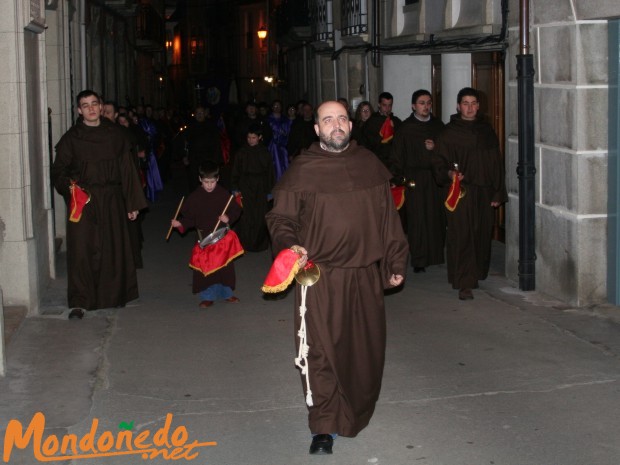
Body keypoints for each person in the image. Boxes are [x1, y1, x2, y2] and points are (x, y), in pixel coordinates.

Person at [266, 101, 408, 455]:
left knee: (364, 351)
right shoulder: (303, 169)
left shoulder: (368, 165)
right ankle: (324, 424)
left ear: (350, 124)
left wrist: (396, 261)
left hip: (364, 275)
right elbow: (280, 220)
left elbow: (388, 221)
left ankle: (354, 411)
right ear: (317, 129)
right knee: (319, 352)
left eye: (342, 118)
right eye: (328, 120)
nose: (337, 125)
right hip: (319, 277)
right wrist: (290, 245)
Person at [51, 90, 148, 320]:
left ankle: (113, 296)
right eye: (85, 105)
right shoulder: (71, 138)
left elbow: (128, 171)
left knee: (112, 247)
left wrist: (132, 203)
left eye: (94, 104)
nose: (91, 109)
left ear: (101, 106)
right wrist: (72, 188)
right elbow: (58, 171)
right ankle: (79, 301)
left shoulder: (116, 135)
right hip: (83, 200)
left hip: (113, 197)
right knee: (82, 250)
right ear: (79, 110)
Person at [433, 87, 507, 300]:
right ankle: (464, 281)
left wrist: (497, 193)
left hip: (484, 192)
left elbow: (496, 163)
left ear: (478, 106)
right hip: (461, 192)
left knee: (481, 233)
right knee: (462, 234)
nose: (470, 107)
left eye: (473, 103)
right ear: (458, 106)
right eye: (465, 103)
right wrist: (449, 172)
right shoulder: (448, 133)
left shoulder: (487, 131)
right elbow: (437, 161)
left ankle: (477, 271)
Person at [171, 162, 243, 308]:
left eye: (212, 182)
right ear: (200, 179)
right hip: (204, 237)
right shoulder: (195, 197)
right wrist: (180, 224)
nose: (209, 185)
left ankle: (226, 293)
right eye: (206, 182)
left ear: (218, 179)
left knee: (225, 267)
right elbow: (190, 218)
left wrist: (228, 218)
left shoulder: (223, 194)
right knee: (206, 268)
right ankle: (208, 296)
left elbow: (236, 210)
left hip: (221, 237)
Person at [391, 89, 446, 273]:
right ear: (414, 106)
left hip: (434, 178)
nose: (426, 106)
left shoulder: (438, 126)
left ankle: (435, 254)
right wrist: (398, 178)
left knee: (435, 217)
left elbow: (448, 150)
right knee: (417, 219)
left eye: (429, 103)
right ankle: (420, 258)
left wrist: (436, 147)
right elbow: (397, 155)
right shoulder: (406, 128)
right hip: (413, 179)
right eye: (422, 103)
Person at [231, 124, 275, 252]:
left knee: (260, 216)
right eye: (249, 137)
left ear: (260, 137)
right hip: (245, 186)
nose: (251, 140)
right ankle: (244, 243)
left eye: (254, 137)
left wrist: (270, 192)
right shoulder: (242, 152)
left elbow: (270, 173)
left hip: (260, 187)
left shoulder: (265, 152)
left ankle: (258, 244)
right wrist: (235, 188)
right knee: (245, 216)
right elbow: (235, 171)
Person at [182, 106, 223, 192]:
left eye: (201, 113)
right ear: (195, 114)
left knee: (208, 180)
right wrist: (185, 156)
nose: (199, 115)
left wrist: (216, 160)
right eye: (198, 113)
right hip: (194, 159)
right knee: (194, 181)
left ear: (205, 114)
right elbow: (185, 143)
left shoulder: (211, 126)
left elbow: (217, 143)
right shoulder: (190, 127)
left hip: (208, 158)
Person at [360, 91, 402, 168]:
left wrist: (394, 128)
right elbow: (367, 143)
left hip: (393, 162)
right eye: (384, 105)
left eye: (390, 105)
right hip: (377, 161)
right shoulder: (372, 122)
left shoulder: (396, 121)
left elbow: (401, 141)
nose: (387, 108)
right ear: (379, 105)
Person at [267, 99, 291, 181]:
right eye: (275, 106)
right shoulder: (268, 119)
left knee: (284, 163)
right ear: (272, 107)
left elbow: (287, 132)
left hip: (283, 145)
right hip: (272, 146)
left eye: (278, 106)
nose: (277, 108)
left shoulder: (285, 119)